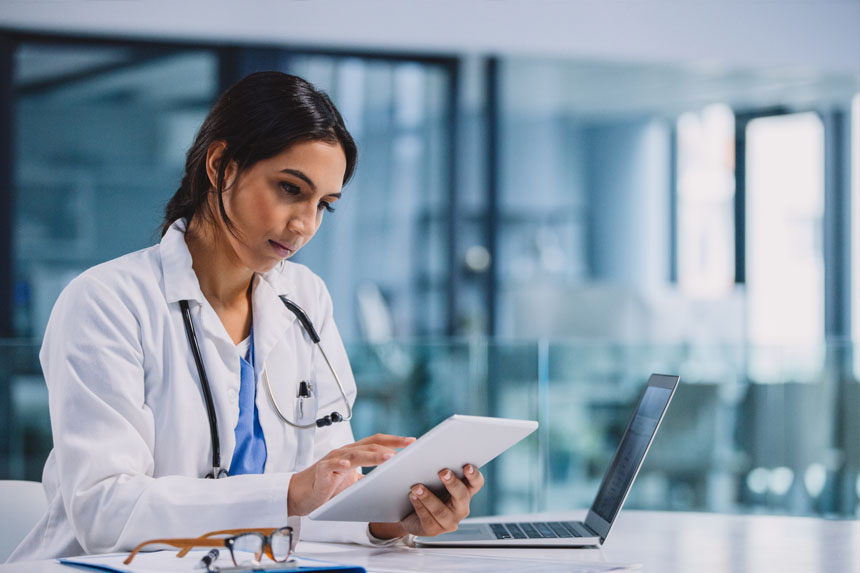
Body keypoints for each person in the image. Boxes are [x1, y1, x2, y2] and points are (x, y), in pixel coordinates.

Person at [8, 71, 483, 562]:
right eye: (289, 189)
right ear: (220, 166)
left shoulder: (306, 299)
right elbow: (105, 514)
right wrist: (290, 493)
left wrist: (392, 519)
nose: (304, 225)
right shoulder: (106, 301)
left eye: (325, 206)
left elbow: (326, 495)